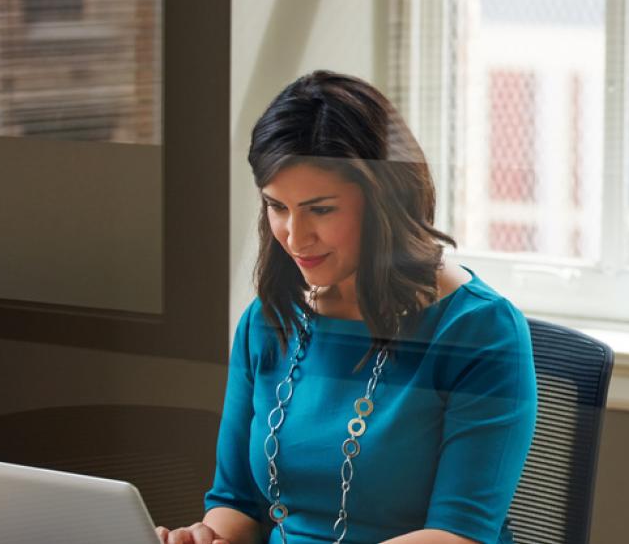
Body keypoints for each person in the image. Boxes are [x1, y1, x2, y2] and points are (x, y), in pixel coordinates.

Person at [158, 70, 538, 544]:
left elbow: (459, 533)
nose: (295, 237)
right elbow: (236, 503)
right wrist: (206, 538)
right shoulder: (267, 321)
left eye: (320, 209)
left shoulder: (480, 331)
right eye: (278, 206)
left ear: (385, 202)